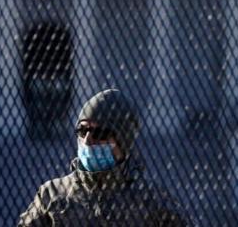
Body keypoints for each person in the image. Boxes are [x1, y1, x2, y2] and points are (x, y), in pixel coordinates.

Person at [18, 89, 187, 226]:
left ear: (123, 142)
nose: (87, 140)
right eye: (82, 131)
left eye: (100, 133)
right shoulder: (52, 194)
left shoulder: (152, 203)